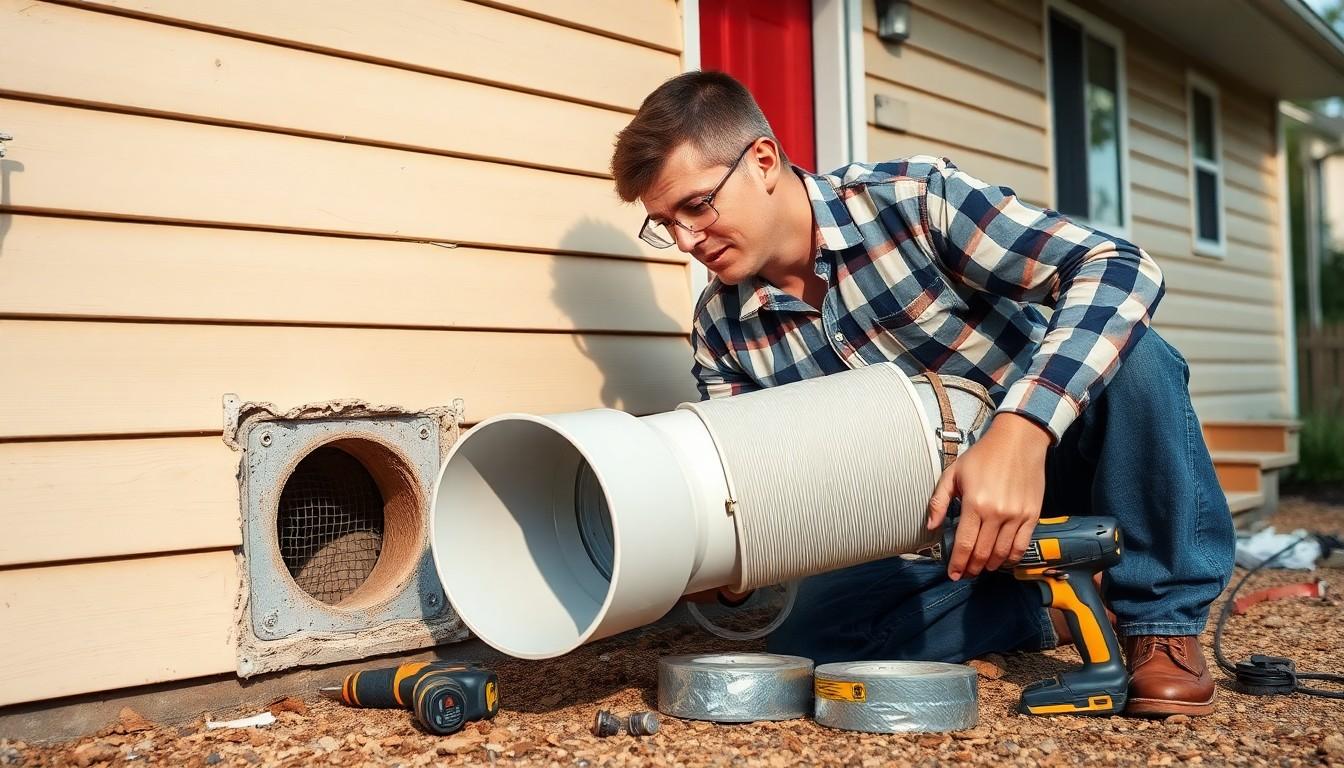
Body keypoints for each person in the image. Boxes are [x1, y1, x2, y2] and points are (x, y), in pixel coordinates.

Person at [608, 71, 1235, 717]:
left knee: (1137, 353)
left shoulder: (911, 201)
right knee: (813, 643)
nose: (685, 242)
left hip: (1065, 457)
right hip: (936, 529)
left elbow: (1119, 265)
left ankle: (1161, 622)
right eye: (664, 225)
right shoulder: (721, 329)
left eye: (695, 207)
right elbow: (746, 485)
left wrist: (1020, 431)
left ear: (762, 160)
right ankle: (1056, 600)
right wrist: (723, 558)